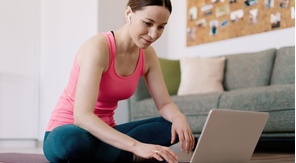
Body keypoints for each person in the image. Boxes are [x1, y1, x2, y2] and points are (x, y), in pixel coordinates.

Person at [43, 0, 195, 162]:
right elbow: (82, 117)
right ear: (129, 14)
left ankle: (111, 155)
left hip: (107, 134)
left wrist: (179, 117)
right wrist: (137, 146)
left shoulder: (148, 55)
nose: (153, 34)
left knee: (172, 127)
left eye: (161, 27)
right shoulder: (98, 47)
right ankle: (120, 154)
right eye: (148, 23)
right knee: (70, 140)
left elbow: (164, 104)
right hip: (71, 130)